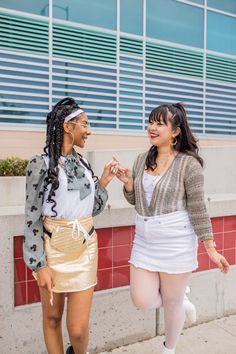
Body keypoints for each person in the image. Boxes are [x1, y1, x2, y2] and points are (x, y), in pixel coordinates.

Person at [116, 103, 230, 354]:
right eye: (150, 122)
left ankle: (169, 348)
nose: (152, 128)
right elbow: (136, 202)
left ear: (176, 131)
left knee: (171, 303)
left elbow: (198, 208)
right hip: (145, 242)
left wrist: (211, 248)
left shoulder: (189, 164)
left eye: (159, 123)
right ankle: (179, 302)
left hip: (176, 242)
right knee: (141, 299)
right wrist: (127, 184)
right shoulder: (140, 160)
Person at [23, 97, 119, 354]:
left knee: (77, 329)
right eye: (85, 124)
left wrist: (105, 181)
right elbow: (31, 218)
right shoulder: (39, 165)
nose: (89, 131)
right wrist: (39, 264)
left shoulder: (84, 165)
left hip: (85, 248)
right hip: (52, 250)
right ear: (68, 126)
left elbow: (92, 210)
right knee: (52, 318)